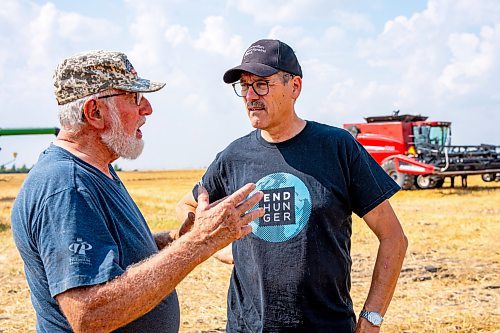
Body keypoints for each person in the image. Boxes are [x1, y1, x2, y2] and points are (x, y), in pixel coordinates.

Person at [11, 50, 264, 333]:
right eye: (134, 98)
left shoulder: (96, 170)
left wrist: (177, 239)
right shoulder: (66, 186)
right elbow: (89, 315)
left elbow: (114, 255)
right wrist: (199, 244)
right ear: (94, 112)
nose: (147, 109)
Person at [177, 39, 408, 333]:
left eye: (261, 84)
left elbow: (393, 238)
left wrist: (372, 317)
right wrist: (224, 248)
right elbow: (188, 205)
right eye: (244, 86)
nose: (250, 96)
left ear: (295, 87)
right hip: (249, 327)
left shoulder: (337, 148)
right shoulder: (233, 157)